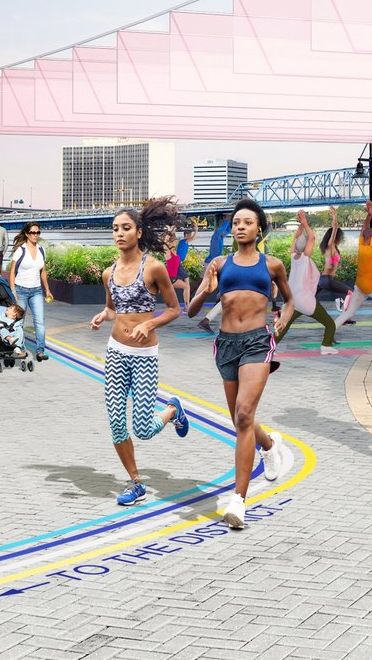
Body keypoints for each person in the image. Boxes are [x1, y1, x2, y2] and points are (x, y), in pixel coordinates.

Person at [187, 199, 295, 528]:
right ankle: (269, 444)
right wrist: (205, 288)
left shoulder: (272, 264)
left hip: (258, 342)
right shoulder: (218, 264)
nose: (240, 227)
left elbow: (290, 300)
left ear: (258, 228)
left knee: (244, 414)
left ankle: (239, 500)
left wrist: (283, 321)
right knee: (240, 420)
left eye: (247, 222)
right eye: (236, 223)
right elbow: (191, 311)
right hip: (226, 345)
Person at [89, 200, 190, 507]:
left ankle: (172, 410)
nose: (119, 234)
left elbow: (174, 309)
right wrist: (101, 316)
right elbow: (112, 308)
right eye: (115, 229)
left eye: (126, 228)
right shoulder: (108, 272)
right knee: (117, 422)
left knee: (143, 429)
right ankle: (136, 483)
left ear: (139, 231)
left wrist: (150, 324)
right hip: (116, 353)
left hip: (144, 356)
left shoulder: (154, 267)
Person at [277, 210, 339, 355]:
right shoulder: (305, 258)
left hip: (292, 300)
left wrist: (301, 225)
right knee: (329, 323)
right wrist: (304, 221)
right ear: (305, 247)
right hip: (305, 300)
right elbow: (311, 237)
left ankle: (268, 347)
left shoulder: (293, 256)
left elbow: (296, 237)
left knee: (283, 326)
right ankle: (326, 346)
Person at [6, 221, 53, 361]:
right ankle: (19, 349)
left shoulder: (41, 250)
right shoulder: (21, 250)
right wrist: (13, 290)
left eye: (38, 232)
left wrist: (47, 290)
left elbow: (43, 271)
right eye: (33, 232)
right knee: (19, 321)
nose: (35, 235)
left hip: (36, 290)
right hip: (20, 290)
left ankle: (40, 351)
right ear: (27, 234)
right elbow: (12, 272)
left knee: (40, 321)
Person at [340, 200, 372, 327]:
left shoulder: (361, 245)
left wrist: (368, 214)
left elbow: (364, 229)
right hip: (370, 286)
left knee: (348, 313)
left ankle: (329, 333)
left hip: (359, 285)